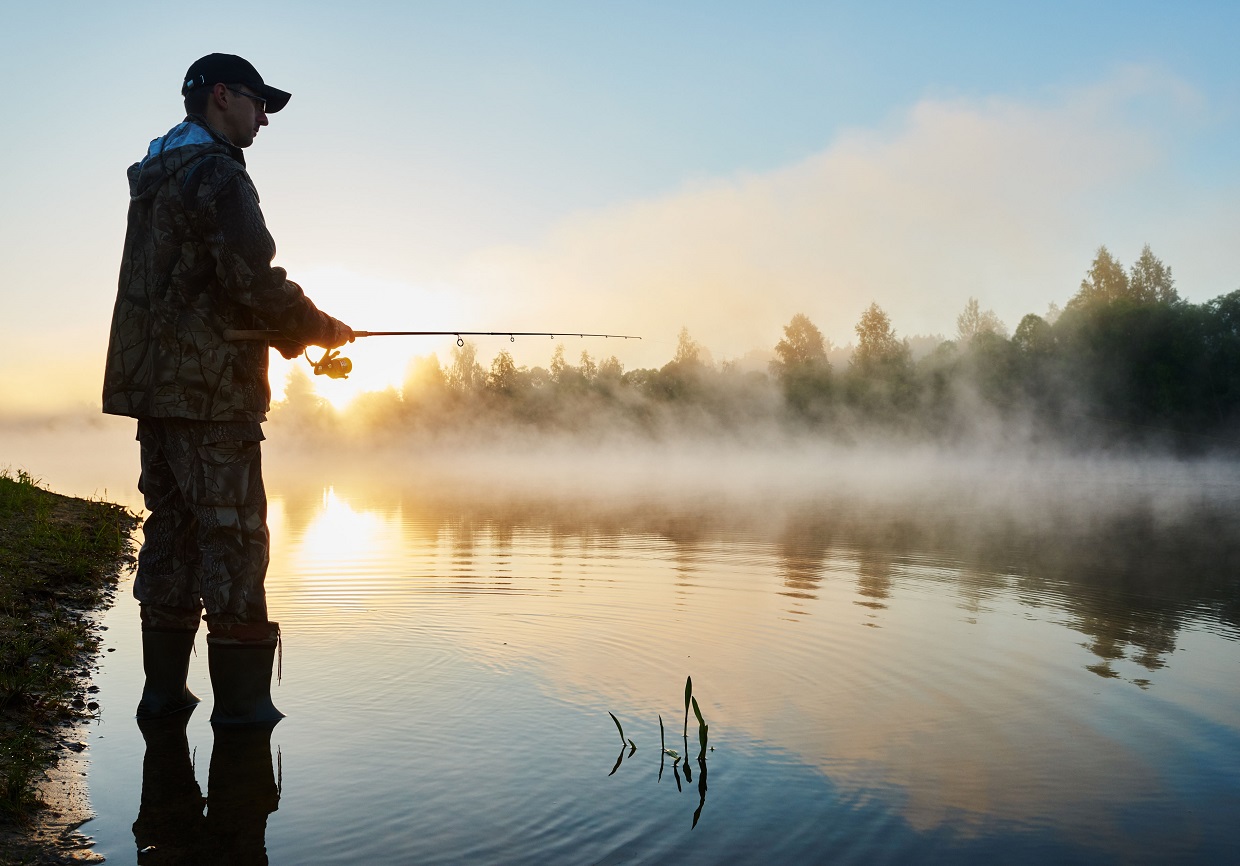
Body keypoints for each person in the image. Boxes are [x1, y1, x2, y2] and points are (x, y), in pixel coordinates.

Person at [103, 53, 352, 726]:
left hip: (154, 389)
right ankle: (243, 718)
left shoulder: (157, 176)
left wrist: (292, 332)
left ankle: (162, 699)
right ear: (221, 97)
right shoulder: (217, 174)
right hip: (212, 395)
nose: (265, 116)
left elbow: (196, 289)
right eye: (257, 101)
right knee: (235, 540)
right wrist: (321, 328)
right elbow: (253, 282)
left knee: (174, 533)